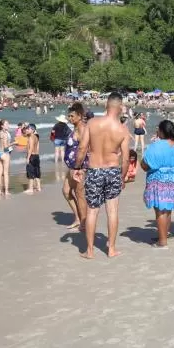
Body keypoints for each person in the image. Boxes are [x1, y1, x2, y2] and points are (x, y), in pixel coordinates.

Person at [78, 92, 131, 259]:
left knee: (92, 211)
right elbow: (126, 159)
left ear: (106, 106)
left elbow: (82, 148)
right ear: (120, 108)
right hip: (113, 170)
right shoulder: (122, 129)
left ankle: (90, 251)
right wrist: (122, 178)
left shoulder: (93, 123)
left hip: (94, 170)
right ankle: (112, 249)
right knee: (113, 210)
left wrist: (77, 167)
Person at [142, 120, 174, 248]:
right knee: (168, 208)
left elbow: (145, 164)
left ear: (161, 131)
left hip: (159, 179)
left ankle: (162, 242)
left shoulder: (156, 145)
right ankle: (164, 235)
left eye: (158, 129)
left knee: (160, 211)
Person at [63, 104, 89, 230]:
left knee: (79, 193)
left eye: (72, 116)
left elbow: (85, 149)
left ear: (79, 116)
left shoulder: (83, 129)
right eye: (68, 116)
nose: (69, 118)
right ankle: (78, 218)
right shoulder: (75, 128)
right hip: (72, 167)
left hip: (80, 168)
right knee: (66, 191)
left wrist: (79, 168)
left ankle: (84, 222)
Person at [52, 114, 71, 179]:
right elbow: (69, 132)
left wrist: (52, 137)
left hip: (57, 139)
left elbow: (53, 131)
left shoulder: (56, 125)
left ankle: (56, 162)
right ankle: (62, 161)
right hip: (64, 139)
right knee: (62, 151)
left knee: (57, 151)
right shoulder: (66, 125)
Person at [24, 124, 41, 194]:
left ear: (32, 130)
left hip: (32, 156)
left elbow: (30, 148)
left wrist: (28, 157)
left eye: (28, 129)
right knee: (37, 172)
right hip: (36, 156)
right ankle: (39, 187)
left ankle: (31, 189)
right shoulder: (36, 137)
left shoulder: (31, 137)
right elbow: (37, 147)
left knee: (30, 172)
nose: (26, 130)